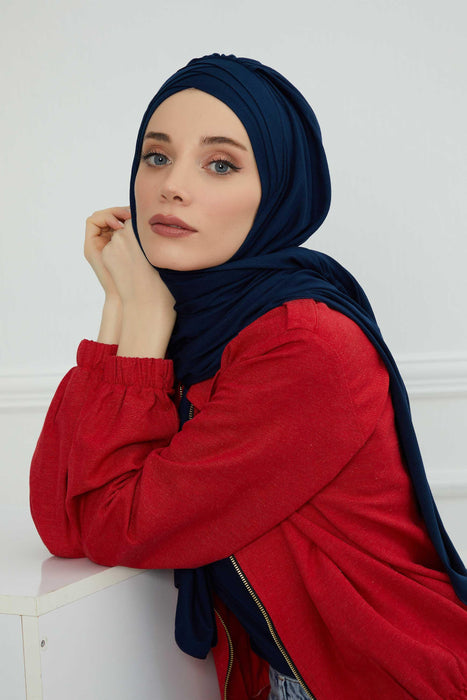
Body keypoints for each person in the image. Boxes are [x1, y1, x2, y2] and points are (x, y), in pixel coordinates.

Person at [30, 54, 467, 700]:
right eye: (157, 157)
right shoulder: (196, 326)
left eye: (220, 164)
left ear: (279, 191)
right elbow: (67, 520)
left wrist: (143, 317)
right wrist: (123, 307)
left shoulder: (302, 343)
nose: (172, 187)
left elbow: (112, 524)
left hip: (390, 680)